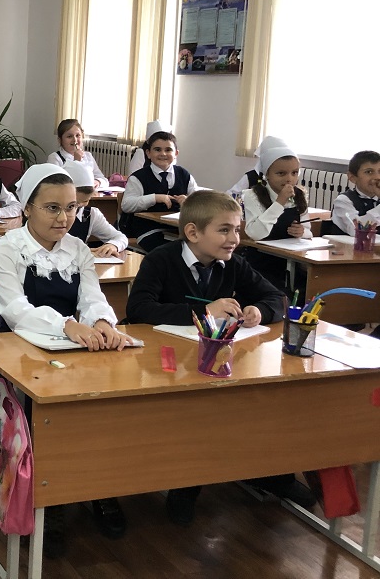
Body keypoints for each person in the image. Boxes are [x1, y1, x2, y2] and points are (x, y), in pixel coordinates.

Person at [124, 191, 311, 524]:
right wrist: (202, 311)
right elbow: (138, 309)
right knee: (196, 412)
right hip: (164, 361)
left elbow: (275, 297)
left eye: (237, 229)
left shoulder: (233, 263)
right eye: (224, 230)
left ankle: (268, 473)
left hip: (216, 359)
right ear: (193, 233)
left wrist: (259, 310)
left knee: (254, 401)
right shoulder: (161, 259)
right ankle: (187, 486)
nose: (234, 238)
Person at [0, 163, 133, 557]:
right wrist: (67, 325)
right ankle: (46, 502)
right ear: (27, 207)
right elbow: (15, 309)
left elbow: (91, 296)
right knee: (43, 424)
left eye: (71, 208)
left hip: (76, 344)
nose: (64, 217)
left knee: (103, 411)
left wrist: (101, 321)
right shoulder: (9, 247)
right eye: (52, 208)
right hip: (22, 348)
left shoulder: (78, 248)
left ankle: (100, 488)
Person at [241, 139, 310, 290]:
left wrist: (301, 232)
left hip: (290, 262)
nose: (289, 179)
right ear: (267, 174)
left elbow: (308, 230)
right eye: (281, 173)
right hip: (262, 263)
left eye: (294, 173)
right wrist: (279, 202)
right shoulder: (252, 195)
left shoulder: (300, 195)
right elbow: (256, 234)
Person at [119, 131, 200, 252]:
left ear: (176, 153)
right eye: (157, 150)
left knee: (197, 247)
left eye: (168, 150)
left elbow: (199, 200)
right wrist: (154, 198)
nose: (163, 154)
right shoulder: (138, 177)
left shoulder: (184, 175)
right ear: (148, 153)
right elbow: (126, 205)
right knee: (169, 252)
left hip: (177, 229)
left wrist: (189, 201)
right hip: (147, 230)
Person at [61, 161, 128, 256]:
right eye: (72, 204)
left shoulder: (90, 215)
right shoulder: (50, 215)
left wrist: (113, 245)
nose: (78, 206)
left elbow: (120, 237)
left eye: (85, 201)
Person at [331, 150, 380, 236]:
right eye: (369, 172)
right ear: (352, 177)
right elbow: (357, 230)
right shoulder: (343, 201)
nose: (377, 177)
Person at [48, 119, 107, 188]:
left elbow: (103, 179)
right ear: (60, 140)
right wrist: (76, 162)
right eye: (69, 136)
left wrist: (98, 182)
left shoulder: (88, 156)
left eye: (78, 135)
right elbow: (59, 184)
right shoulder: (55, 158)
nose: (75, 140)